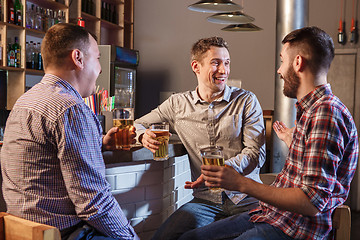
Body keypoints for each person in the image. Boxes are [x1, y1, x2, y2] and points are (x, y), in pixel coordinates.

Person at [177, 26, 359, 240]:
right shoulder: (313, 110)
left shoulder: (325, 114)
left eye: (282, 61)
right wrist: (297, 145)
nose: (279, 70)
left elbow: (311, 202)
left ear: (298, 63)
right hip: (272, 215)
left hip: (294, 228)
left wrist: (239, 183)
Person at [0, 23, 139, 240]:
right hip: (64, 234)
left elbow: (47, 157)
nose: (100, 69)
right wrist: (130, 238)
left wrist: (99, 143)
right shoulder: (69, 108)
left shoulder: (26, 100)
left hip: (23, 230)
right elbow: (93, 202)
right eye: (98, 58)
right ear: (78, 58)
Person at [134, 36, 266, 240]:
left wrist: (221, 171)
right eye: (216, 63)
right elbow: (137, 123)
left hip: (246, 198)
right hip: (205, 201)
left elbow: (256, 154)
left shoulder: (246, 100)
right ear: (196, 66)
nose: (224, 70)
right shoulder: (177, 104)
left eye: (227, 63)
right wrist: (143, 135)